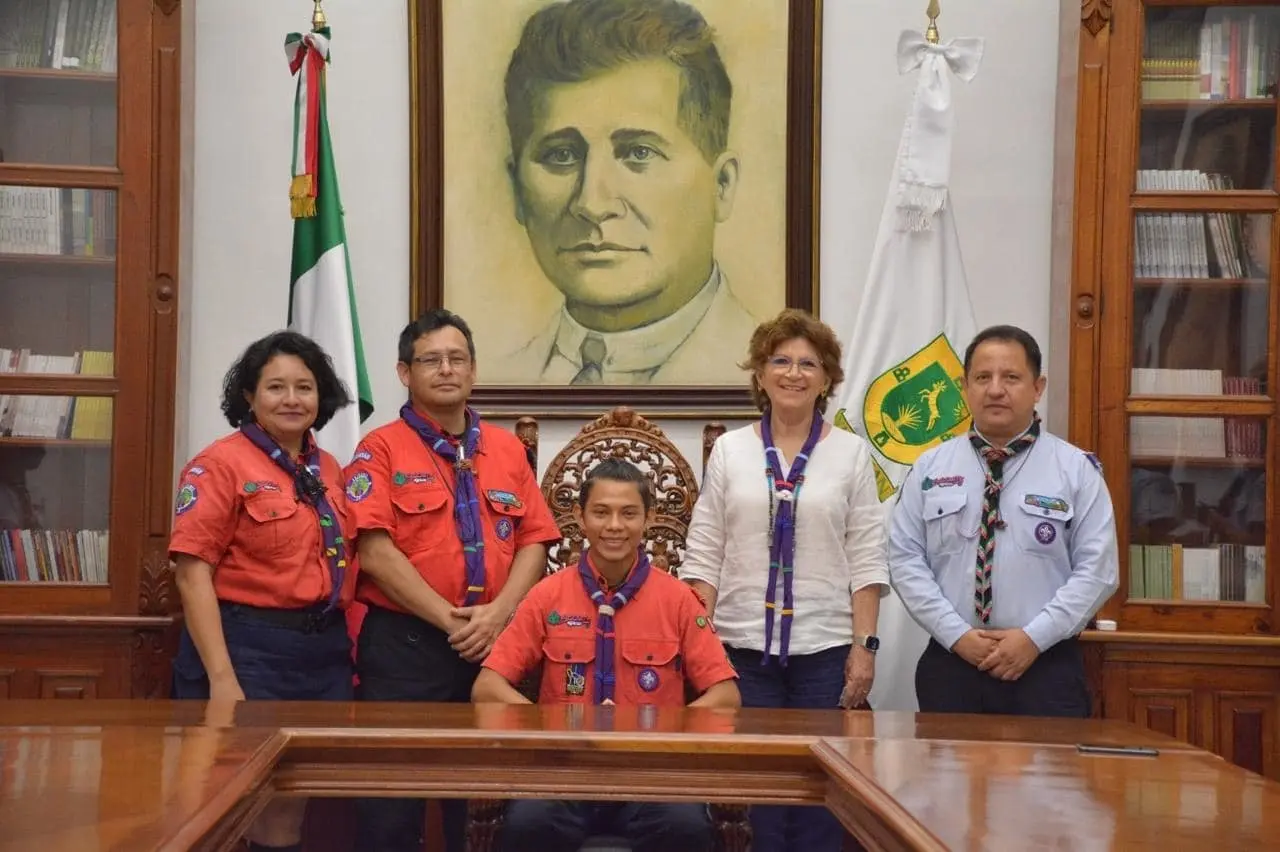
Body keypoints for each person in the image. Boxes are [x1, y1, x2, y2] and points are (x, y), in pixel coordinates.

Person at [346, 309, 560, 852]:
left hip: (491, 652)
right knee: (391, 811)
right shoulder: (380, 449)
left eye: (456, 358)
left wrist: (498, 615)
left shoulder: (508, 450)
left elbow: (535, 539)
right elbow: (374, 552)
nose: (446, 369)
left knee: (481, 807)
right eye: (430, 360)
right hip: (406, 650)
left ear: (473, 369)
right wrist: (452, 621)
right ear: (404, 373)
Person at [680, 308, 889, 852]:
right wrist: (700, 644)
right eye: (780, 360)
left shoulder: (850, 454)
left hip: (825, 650)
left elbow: (866, 555)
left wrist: (865, 648)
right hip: (741, 649)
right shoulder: (730, 450)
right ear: (760, 373)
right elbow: (705, 553)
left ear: (826, 379)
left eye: (807, 363)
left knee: (821, 790)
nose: (793, 373)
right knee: (758, 791)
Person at [474, 458, 739, 852]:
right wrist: (560, 725)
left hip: (652, 774)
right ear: (581, 518)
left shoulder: (679, 600)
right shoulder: (548, 595)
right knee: (527, 826)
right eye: (601, 512)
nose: (614, 525)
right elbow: (487, 689)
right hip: (563, 772)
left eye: (628, 513)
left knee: (685, 829)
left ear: (648, 519)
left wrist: (653, 726)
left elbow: (726, 697)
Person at [499, 0, 760, 385]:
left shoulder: (765, 375)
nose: (592, 203)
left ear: (721, 185)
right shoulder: (496, 381)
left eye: (639, 153)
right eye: (562, 155)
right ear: (517, 191)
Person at [169, 330, 358, 852]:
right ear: (249, 397)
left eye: (305, 386)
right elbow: (191, 573)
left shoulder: (330, 470)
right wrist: (223, 679)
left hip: (320, 656)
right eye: (276, 387)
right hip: (247, 651)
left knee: (288, 808)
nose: (293, 399)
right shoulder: (220, 464)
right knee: (224, 806)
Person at [889, 324, 1119, 717]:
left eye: (1011, 377)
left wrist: (1032, 639)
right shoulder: (930, 467)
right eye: (983, 377)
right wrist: (957, 635)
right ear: (964, 387)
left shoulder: (1076, 470)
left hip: (1044, 665)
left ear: (1038, 387)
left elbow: (1097, 572)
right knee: (946, 779)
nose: (996, 389)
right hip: (952, 664)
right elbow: (904, 560)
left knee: (1046, 779)